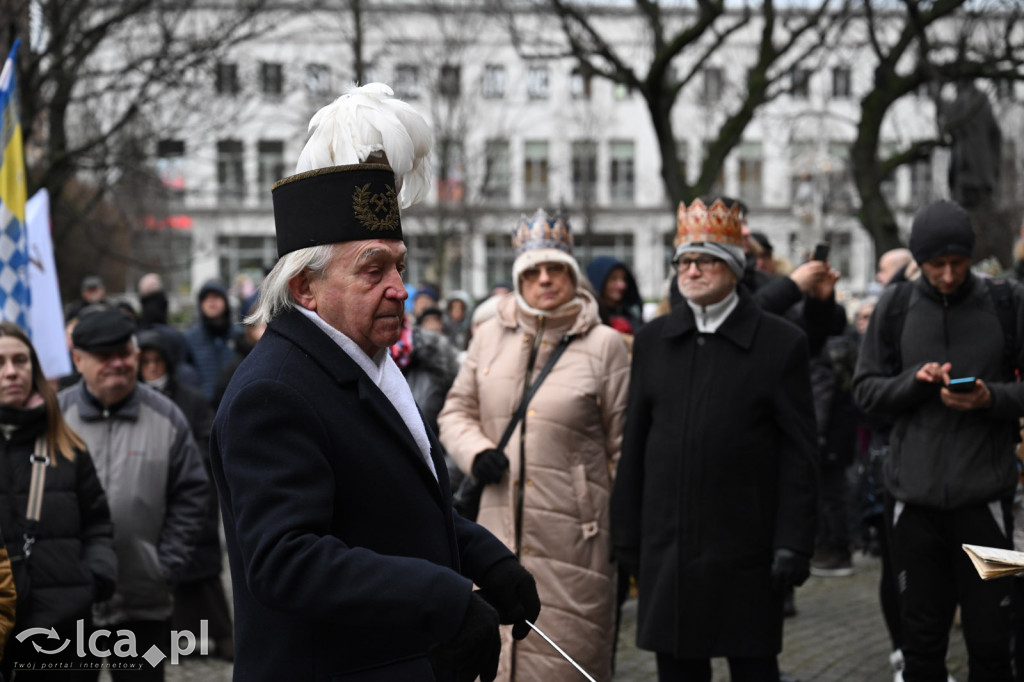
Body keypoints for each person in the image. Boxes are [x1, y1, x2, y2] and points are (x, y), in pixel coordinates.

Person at [210, 82, 539, 682]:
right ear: (305, 287)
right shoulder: (274, 393)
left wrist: (483, 558)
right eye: (372, 268)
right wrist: (442, 596)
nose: (399, 287)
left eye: (400, 265)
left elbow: (388, 511)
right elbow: (286, 561)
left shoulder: (363, 360)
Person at [611, 197, 818, 682]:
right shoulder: (654, 340)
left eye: (705, 261)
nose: (692, 270)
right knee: (678, 667)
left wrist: (794, 543)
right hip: (668, 543)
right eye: (684, 260)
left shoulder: (781, 343)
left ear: (733, 269)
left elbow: (799, 454)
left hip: (746, 544)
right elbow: (635, 440)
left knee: (753, 666)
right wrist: (626, 534)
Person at [439, 209, 630, 682]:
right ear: (519, 278)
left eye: (556, 269)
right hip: (495, 530)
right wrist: (476, 450)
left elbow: (622, 445)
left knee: (567, 661)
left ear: (573, 276)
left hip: (577, 539)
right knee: (496, 659)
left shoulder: (607, 344)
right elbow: (454, 412)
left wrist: (618, 531)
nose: (545, 279)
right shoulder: (487, 337)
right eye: (533, 271)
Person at [853, 199, 1024, 682]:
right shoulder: (896, 304)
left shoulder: (1007, 301)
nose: (948, 275)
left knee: (994, 640)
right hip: (914, 506)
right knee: (921, 644)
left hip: (989, 504)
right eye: (935, 265)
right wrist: (913, 383)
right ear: (917, 261)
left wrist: (992, 398)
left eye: (958, 263)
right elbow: (865, 390)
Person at [59, 307, 209, 682]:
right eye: (103, 356)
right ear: (78, 360)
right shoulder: (54, 420)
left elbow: (191, 495)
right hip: (68, 604)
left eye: (124, 354)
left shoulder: (167, 417)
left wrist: (164, 566)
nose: (117, 364)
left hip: (144, 602)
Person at [0, 322, 116, 679]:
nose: (10, 372)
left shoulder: (67, 447)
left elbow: (98, 523)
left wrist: (93, 578)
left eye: (20, 361)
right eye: (0, 362)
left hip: (63, 634)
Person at [136, 329, 234, 661]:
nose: (151, 368)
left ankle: (216, 637)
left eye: (156, 361)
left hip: (188, 495)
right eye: (144, 361)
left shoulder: (190, 400)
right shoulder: (132, 399)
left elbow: (207, 447)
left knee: (200, 576)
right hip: (148, 501)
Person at [184, 280, 241, 404]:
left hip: (235, 403)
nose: (211, 302)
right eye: (206, 298)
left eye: (216, 297)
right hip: (204, 406)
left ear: (225, 301)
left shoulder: (239, 335)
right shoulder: (190, 338)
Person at [586, 255, 645, 336]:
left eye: (624, 279)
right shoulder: (586, 319)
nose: (622, 285)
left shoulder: (632, 314)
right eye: (613, 278)